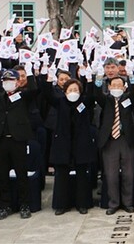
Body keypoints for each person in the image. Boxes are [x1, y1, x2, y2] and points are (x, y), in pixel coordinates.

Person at [46, 77, 96, 215]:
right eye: (70, 90)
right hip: (63, 144)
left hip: (81, 144)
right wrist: (48, 79)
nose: (73, 92)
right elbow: (47, 95)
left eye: (76, 89)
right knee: (61, 175)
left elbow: (92, 96)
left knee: (82, 175)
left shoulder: (84, 103)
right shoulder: (60, 102)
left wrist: (90, 80)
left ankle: (82, 204)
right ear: (65, 91)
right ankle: (61, 205)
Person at [0, 68, 38, 220]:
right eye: (5, 81)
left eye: (11, 81)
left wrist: (32, 70)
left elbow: (34, 89)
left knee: (21, 173)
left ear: (18, 82)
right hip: (0, 140)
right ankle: (4, 206)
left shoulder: (23, 95)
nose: (8, 84)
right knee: (2, 175)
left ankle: (24, 204)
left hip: (18, 139)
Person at [95, 76, 134, 215]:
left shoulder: (127, 99)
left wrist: (132, 78)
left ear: (124, 87)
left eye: (119, 86)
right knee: (111, 174)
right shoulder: (106, 100)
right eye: (113, 86)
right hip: (110, 140)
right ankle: (113, 203)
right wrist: (97, 80)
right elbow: (96, 94)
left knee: (128, 173)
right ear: (108, 87)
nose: (116, 88)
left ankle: (128, 203)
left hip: (126, 139)